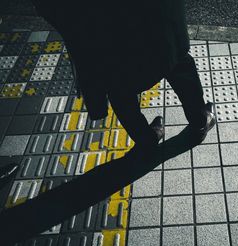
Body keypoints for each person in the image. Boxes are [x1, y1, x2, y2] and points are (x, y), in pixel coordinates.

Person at [30, 0, 216, 154]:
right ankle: (199, 121)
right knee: (177, 63)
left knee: (118, 85)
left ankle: (145, 139)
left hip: (98, 30)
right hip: (154, 16)